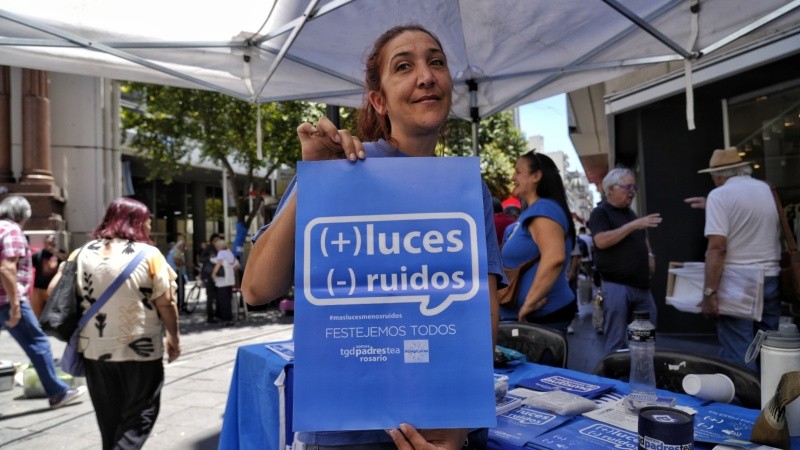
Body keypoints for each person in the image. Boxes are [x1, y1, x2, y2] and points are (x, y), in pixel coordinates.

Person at [241, 24, 505, 450]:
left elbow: (481, 307)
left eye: (436, 62)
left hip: (437, 430)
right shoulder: (342, 166)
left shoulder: (469, 190)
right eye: (404, 66)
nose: (426, 75)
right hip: (342, 432)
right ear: (379, 100)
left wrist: (460, 418)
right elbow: (256, 288)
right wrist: (315, 179)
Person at [48, 197, 180, 449]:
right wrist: (174, 337)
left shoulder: (81, 252)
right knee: (141, 415)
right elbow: (166, 302)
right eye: (147, 220)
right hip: (141, 350)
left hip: (95, 352)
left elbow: (55, 290)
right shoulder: (150, 254)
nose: (150, 225)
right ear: (136, 222)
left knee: (109, 421)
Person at [684, 147, 781, 371]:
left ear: (719, 175)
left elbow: (717, 248)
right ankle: (773, 400)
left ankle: (744, 404)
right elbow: (748, 217)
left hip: (740, 281)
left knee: (738, 352)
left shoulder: (719, 195)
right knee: (768, 349)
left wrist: (709, 293)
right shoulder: (765, 189)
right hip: (771, 278)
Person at [0, 196, 86, 409]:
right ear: (23, 216)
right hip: (6, 299)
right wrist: (15, 304)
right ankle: (58, 392)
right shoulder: (11, 230)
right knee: (38, 343)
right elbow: (6, 268)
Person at [499, 152, 577, 335]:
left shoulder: (544, 209)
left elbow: (554, 258)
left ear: (536, 176)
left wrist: (529, 303)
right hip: (529, 318)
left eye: (518, 172)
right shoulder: (533, 211)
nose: (513, 177)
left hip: (540, 318)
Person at [588, 167, 662, 354]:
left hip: (641, 286)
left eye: (634, 188)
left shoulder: (630, 214)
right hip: (616, 286)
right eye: (628, 187)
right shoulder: (601, 212)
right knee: (616, 340)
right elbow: (601, 241)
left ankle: (640, 371)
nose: (632, 192)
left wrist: (650, 255)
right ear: (610, 188)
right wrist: (634, 225)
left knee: (644, 339)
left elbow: (642, 237)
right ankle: (615, 379)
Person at [30, 234, 66, 317]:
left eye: (52, 243)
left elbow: (66, 260)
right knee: (37, 312)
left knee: (54, 313)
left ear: (55, 243)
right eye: (48, 243)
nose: (50, 245)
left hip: (54, 290)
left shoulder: (60, 253)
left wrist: (54, 251)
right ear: (44, 243)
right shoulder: (38, 255)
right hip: (39, 289)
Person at [211, 239, 239, 325]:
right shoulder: (229, 252)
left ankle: (225, 320)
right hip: (230, 280)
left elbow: (219, 263)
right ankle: (229, 319)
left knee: (223, 301)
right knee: (228, 300)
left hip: (222, 281)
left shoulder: (221, 253)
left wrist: (214, 273)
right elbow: (236, 265)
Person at [200, 233, 222, 323]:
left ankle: (217, 314)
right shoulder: (208, 249)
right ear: (211, 241)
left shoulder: (220, 249)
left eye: (218, 240)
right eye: (215, 240)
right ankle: (210, 317)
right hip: (208, 275)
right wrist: (209, 258)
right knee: (210, 296)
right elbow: (201, 259)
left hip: (217, 275)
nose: (217, 242)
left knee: (218, 295)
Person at [166, 239, 187, 312]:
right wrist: (184, 264)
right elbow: (176, 260)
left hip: (171, 272)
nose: (185, 249)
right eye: (184, 247)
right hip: (177, 272)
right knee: (180, 290)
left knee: (174, 290)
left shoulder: (171, 251)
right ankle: (180, 306)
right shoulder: (177, 251)